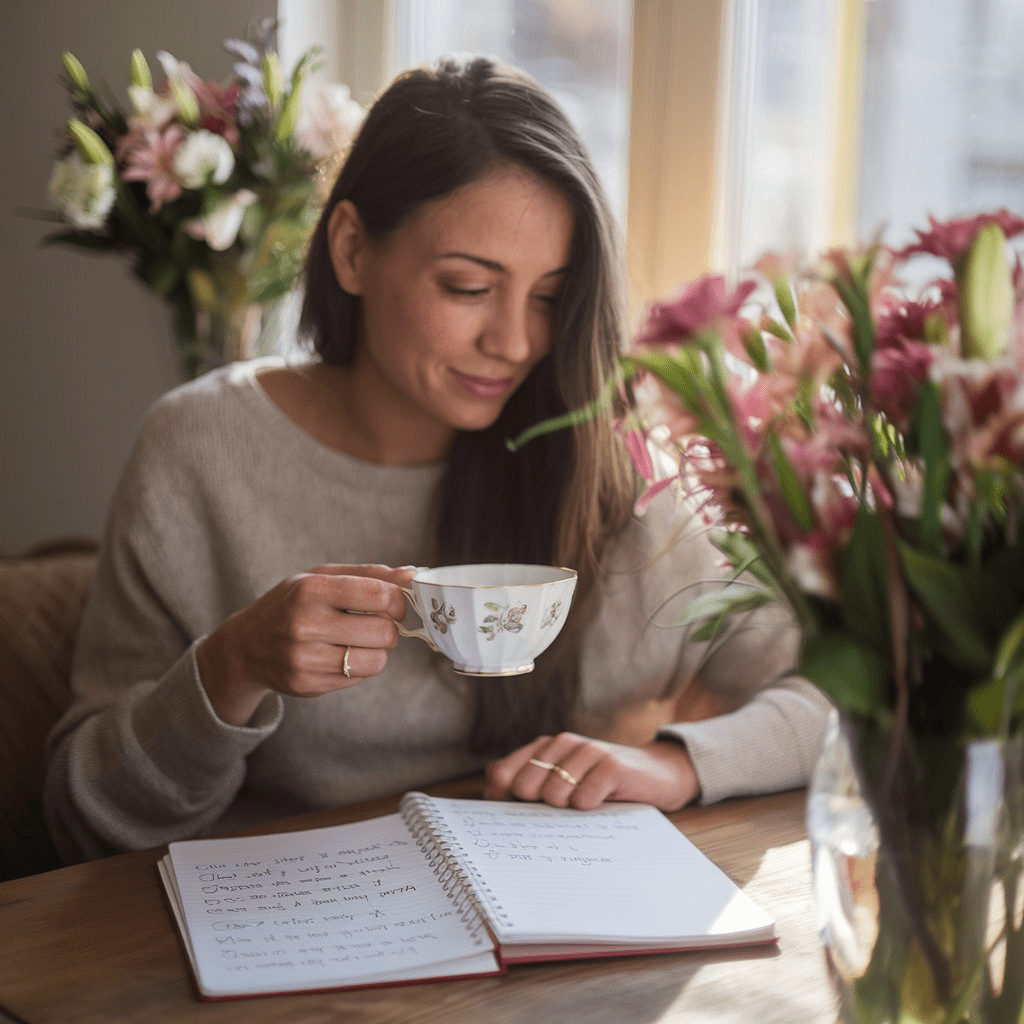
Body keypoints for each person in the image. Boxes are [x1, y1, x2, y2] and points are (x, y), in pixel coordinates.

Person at [44, 56, 829, 864]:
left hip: (562, 938)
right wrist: (232, 666)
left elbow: (846, 698)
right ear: (351, 250)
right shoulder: (201, 452)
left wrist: (677, 766)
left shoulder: (617, 459)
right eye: (467, 287)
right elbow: (89, 814)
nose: (516, 343)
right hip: (297, 930)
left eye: (551, 296)